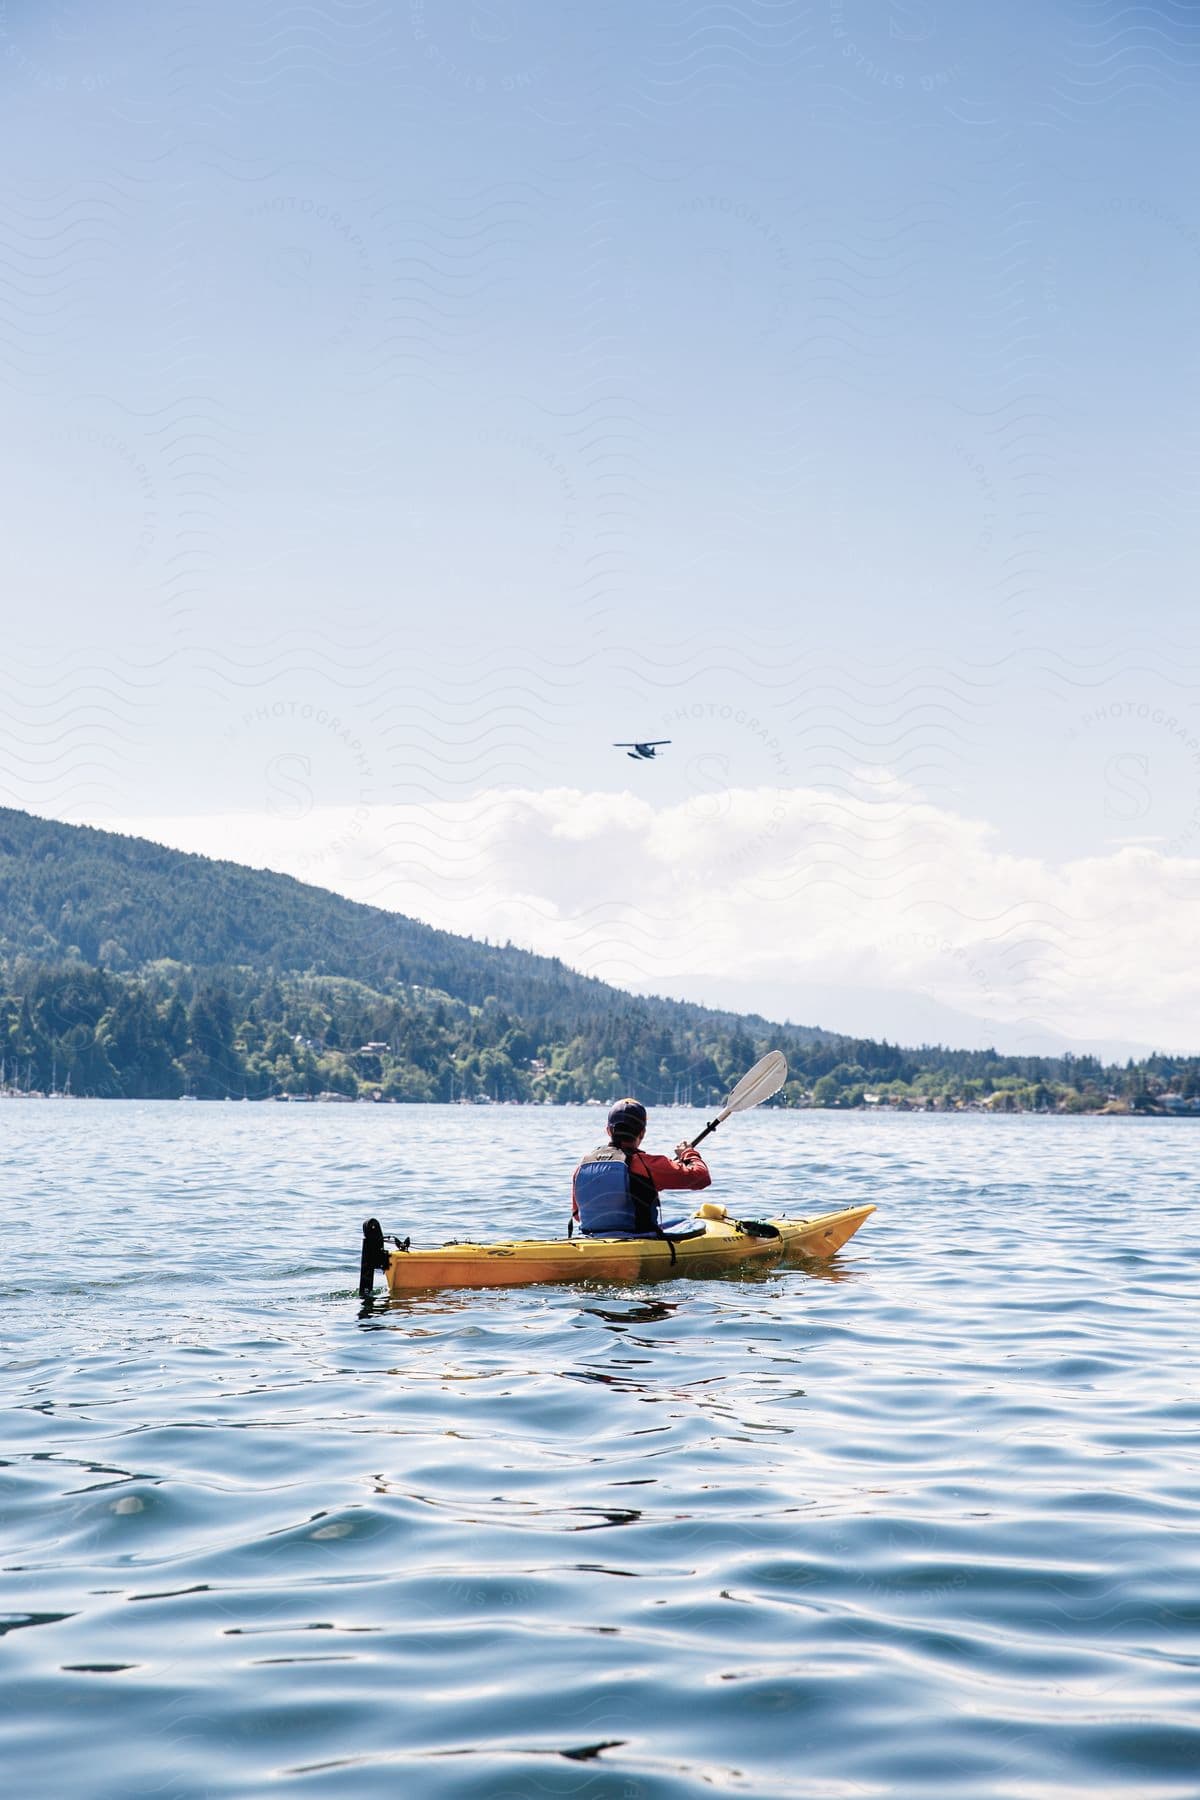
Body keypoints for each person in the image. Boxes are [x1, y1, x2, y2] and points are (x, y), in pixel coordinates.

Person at [571, 1097, 711, 1237]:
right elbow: (702, 1177)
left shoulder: (583, 1165)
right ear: (642, 1132)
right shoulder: (647, 1165)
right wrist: (688, 1153)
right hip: (637, 1239)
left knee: (678, 1222)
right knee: (691, 1223)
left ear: (608, 1131)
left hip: (589, 1239)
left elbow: (577, 1216)